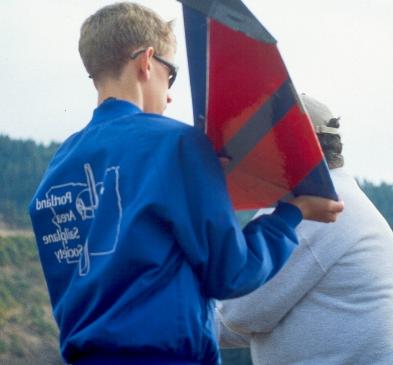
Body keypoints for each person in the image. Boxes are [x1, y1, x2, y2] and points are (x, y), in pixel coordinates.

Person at [28, 3, 343, 365]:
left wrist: (204, 179)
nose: (171, 93)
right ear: (147, 61)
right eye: (171, 74)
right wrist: (291, 213)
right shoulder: (176, 144)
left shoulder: (57, 169)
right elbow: (233, 273)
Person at [217, 94, 393, 365]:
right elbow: (248, 317)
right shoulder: (340, 199)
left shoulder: (314, 212)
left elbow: (237, 310)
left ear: (293, 148)